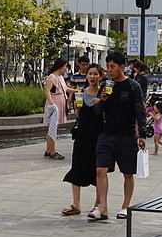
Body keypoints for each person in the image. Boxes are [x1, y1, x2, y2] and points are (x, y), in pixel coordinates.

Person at [89, 51, 146, 221]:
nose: (109, 70)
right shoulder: (106, 86)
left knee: (128, 173)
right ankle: (103, 208)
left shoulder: (133, 86)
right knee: (100, 170)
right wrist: (103, 99)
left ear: (122, 67)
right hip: (107, 134)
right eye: (107, 66)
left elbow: (140, 111)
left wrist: (142, 134)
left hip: (126, 135)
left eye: (112, 66)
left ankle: (126, 206)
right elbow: (97, 113)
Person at [62, 63, 105, 217]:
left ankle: (98, 204)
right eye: (90, 74)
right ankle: (76, 204)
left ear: (101, 76)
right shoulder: (81, 93)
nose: (92, 77)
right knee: (77, 166)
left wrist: (102, 103)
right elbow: (80, 116)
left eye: (95, 74)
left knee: (98, 170)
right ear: (86, 76)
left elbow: (108, 117)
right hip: (82, 135)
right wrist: (77, 109)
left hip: (99, 135)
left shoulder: (104, 95)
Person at [43, 58, 79, 160]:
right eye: (64, 66)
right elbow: (47, 91)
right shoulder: (52, 77)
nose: (65, 69)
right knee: (53, 127)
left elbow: (65, 89)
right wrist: (52, 104)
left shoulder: (60, 77)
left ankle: (49, 150)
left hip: (60, 102)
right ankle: (51, 151)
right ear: (60, 66)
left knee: (55, 127)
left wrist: (78, 91)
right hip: (55, 103)